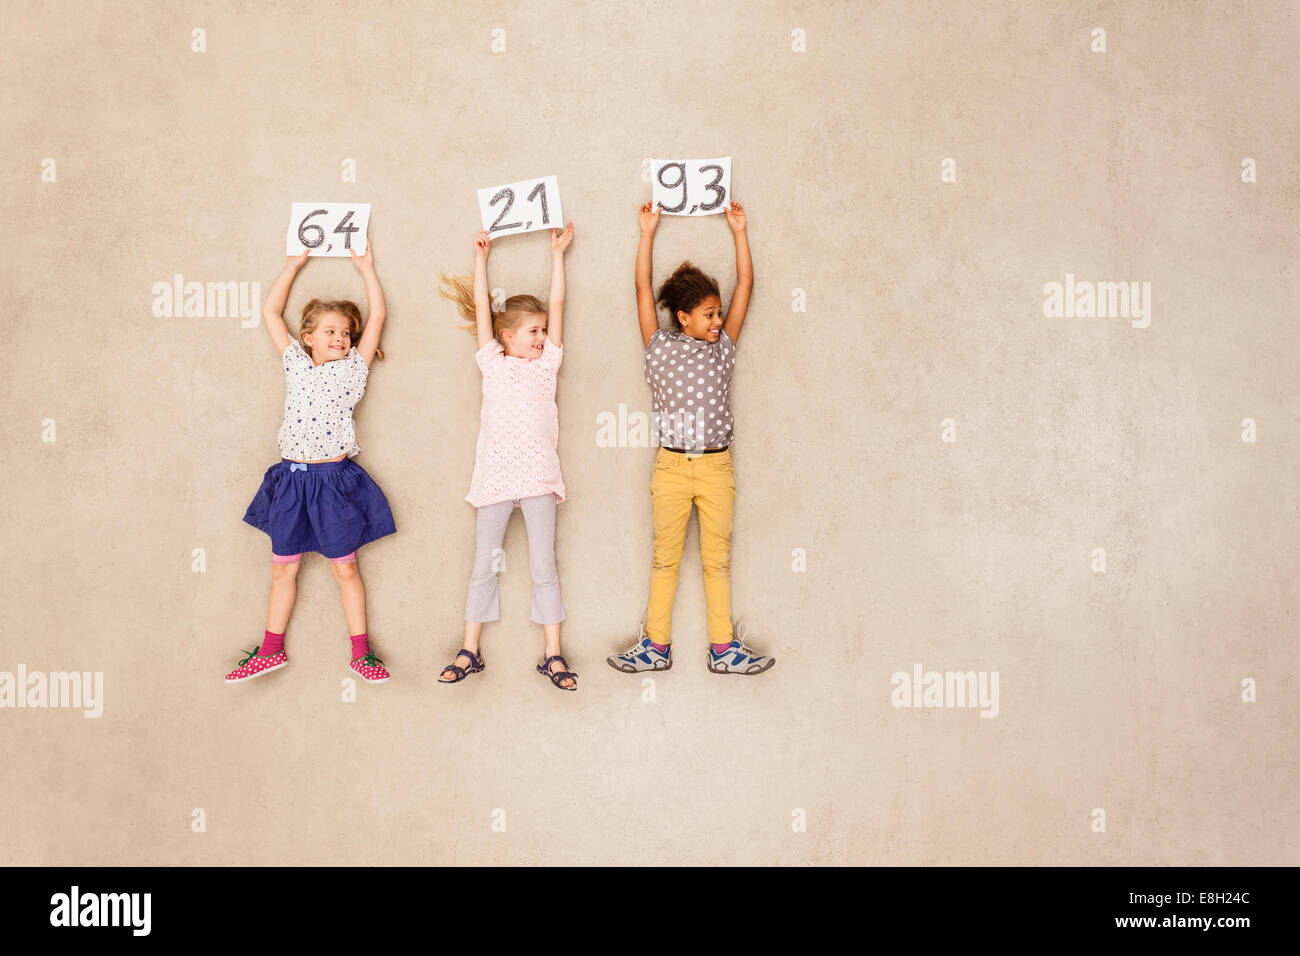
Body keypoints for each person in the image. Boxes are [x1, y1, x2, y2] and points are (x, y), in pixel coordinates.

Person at [607, 199, 774, 676]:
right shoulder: (657, 346)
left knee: (717, 563)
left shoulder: (724, 346)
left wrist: (740, 231)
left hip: (718, 466)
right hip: (672, 468)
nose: (718, 321)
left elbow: (747, 285)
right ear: (682, 317)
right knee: (665, 562)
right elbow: (641, 286)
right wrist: (647, 232)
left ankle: (724, 651)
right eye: (707, 314)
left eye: (719, 313)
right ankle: (655, 648)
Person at [225, 243, 396, 685]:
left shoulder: (355, 369)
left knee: (345, 567)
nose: (340, 338)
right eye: (330, 331)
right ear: (308, 337)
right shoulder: (295, 364)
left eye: (345, 333)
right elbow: (270, 312)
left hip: (332, 481)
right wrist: (292, 265)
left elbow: (377, 317)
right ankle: (270, 650)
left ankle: (361, 654)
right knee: (283, 567)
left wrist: (366, 268)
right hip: (291, 479)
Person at [437, 224, 578, 691]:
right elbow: (482, 306)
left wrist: (556, 255)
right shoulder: (492, 363)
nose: (542, 337)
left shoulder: (548, 366)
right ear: (507, 336)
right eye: (533, 331)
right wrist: (480, 259)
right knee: (484, 564)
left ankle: (553, 654)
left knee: (544, 566)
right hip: (496, 479)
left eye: (543, 330)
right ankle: (469, 649)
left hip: (538, 479)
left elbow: (558, 304)